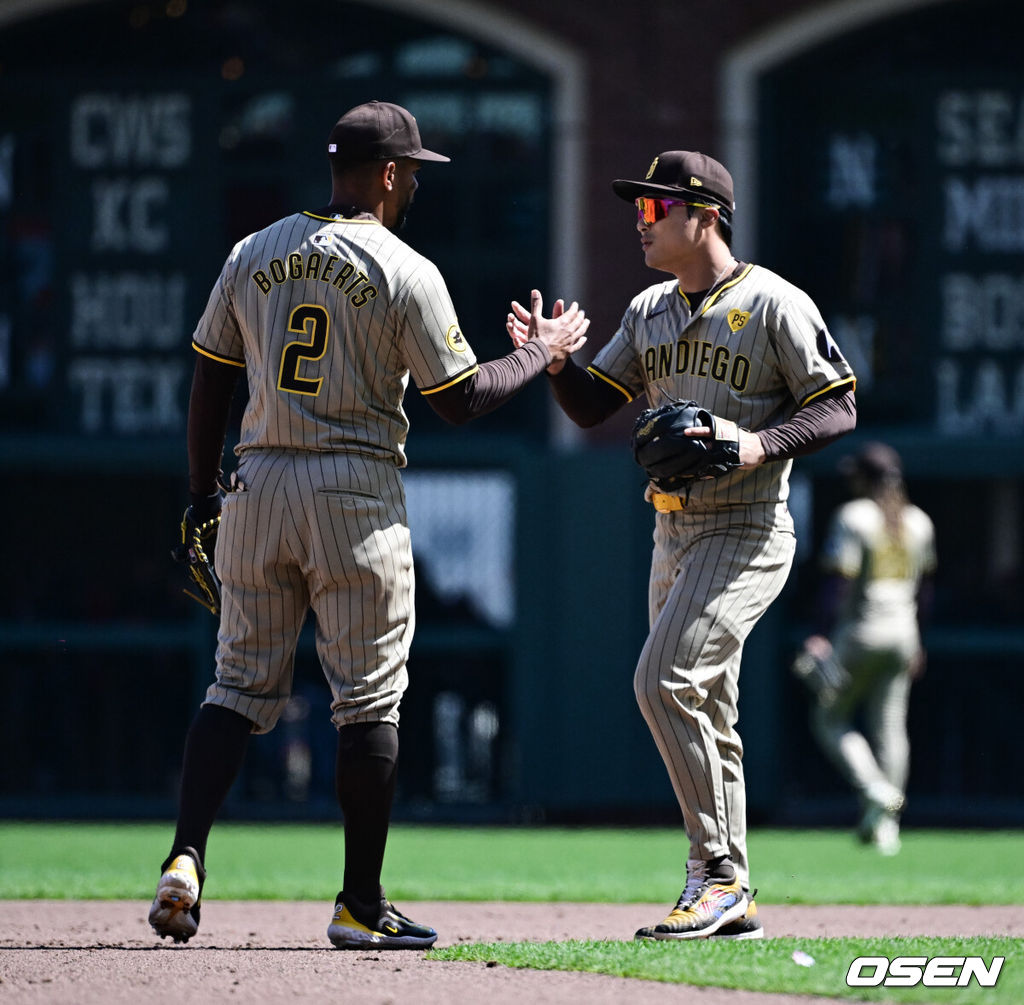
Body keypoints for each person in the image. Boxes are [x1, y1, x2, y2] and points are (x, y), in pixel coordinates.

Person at [148, 100, 589, 949]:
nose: (417, 181)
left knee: (235, 686)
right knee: (368, 701)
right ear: (388, 174)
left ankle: (186, 853)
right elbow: (459, 399)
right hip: (354, 490)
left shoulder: (254, 250)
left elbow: (210, 381)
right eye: (414, 169)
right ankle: (358, 902)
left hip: (258, 478)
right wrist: (542, 351)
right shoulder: (405, 267)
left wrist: (203, 496)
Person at [508, 150, 856, 940]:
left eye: (656, 208)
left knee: (662, 680)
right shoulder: (648, 310)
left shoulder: (773, 303)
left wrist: (760, 445)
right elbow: (597, 406)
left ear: (705, 215)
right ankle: (733, 891)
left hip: (748, 527)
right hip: (672, 528)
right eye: (638, 208)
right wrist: (557, 362)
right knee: (709, 704)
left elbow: (838, 405)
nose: (641, 220)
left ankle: (717, 875)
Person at [799, 442, 936, 856]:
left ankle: (875, 790)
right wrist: (919, 640)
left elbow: (839, 581)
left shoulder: (854, 516)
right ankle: (886, 828)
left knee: (828, 719)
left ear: (863, 477)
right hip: (903, 633)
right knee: (890, 727)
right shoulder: (919, 520)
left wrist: (820, 632)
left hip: (860, 631)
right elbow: (926, 591)